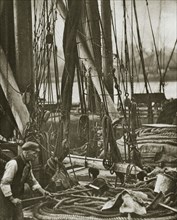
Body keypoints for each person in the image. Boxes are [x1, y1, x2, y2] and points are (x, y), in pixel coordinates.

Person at [0, 141, 50, 220]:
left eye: (37, 153)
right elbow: (4, 183)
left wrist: (42, 191)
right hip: (6, 197)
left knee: (19, 217)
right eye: (34, 153)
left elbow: (32, 180)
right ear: (26, 153)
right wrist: (12, 199)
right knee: (7, 217)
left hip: (17, 196)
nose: (36, 156)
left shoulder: (28, 164)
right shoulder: (13, 163)